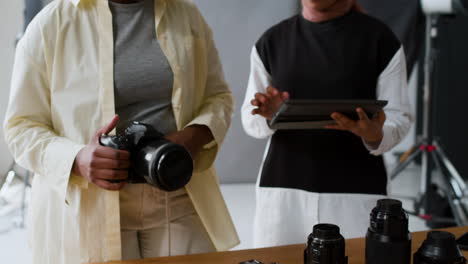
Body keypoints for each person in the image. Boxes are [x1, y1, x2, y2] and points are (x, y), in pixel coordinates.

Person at [3, 0, 239, 263]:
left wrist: (194, 136)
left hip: (175, 190)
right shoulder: (51, 24)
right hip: (90, 205)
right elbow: (20, 127)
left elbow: (218, 97)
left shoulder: (186, 15)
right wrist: (77, 159)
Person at [241, 0, 413, 248]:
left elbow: (399, 116)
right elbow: (250, 119)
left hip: (356, 190)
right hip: (283, 191)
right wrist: (268, 115)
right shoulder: (272, 41)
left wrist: (376, 134)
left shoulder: (380, 40)